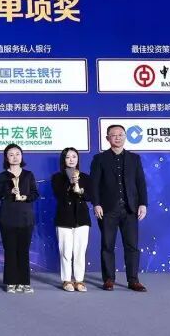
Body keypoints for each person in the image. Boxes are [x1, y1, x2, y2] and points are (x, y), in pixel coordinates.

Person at [90, 124, 148, 292]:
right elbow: (94, 184)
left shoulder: (134, 159)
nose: (117, 137)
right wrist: (96, 204)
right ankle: (109, 279)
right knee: (107, 245)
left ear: (125, 136)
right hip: (107, 209)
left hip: (130, 209)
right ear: (107, 138)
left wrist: (143, 204)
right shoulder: (99, 159)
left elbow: (140, 183)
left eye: (121, 134)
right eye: (113, 135)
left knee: (132, 246)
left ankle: (133, 280)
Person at [0, 144, 40, 293]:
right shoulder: (2, 176)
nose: (15, 157)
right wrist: (9, 191)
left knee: (24, 251)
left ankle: (24, 282)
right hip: (7, 218)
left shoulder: (28, 175)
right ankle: (11, 282)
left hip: (25, 218)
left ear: (22, 156)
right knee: (10, 250)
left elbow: (35, 194)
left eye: (17, 154)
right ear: (6, 158)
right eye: (11, 154)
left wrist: (26, 197)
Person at [51, 147, 92, 292]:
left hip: (82, 219)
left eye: (74, 156)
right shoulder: (57, 177)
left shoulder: (85, 177)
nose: (71, 159)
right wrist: (71, 183)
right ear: (64, 160)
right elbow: (59, 195)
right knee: (65, 251)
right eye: (68, 157)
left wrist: (79, 188)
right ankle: (67, 280)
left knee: (80, 251)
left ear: (78, 159)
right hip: (64, 219)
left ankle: (79, 280)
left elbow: (90, 196)